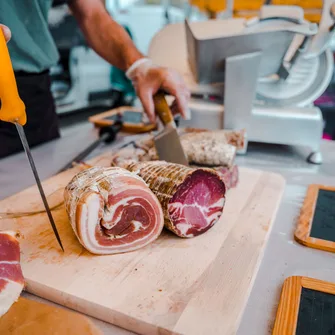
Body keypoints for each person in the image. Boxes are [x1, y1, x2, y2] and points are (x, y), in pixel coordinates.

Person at [0, 0, 190, 158]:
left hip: (33, 95)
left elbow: (92, 14)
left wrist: (140, 66)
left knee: (36, 188)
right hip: (10, 88)